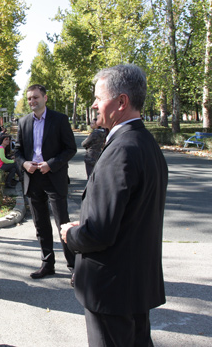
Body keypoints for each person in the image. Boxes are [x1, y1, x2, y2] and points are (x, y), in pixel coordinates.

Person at [61, 64, 168, 346]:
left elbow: (99, 233)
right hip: (133, 287)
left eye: (99, 97)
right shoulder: (145, 142)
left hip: (111, 291)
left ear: (122, 102)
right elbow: (129, 216)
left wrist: (71, 234)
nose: (94, 104)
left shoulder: (121, 150)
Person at [14, 84, 77, 283]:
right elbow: (17, 152)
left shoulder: (59, 119)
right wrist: (24, 164)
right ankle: (47, 264)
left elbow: (70, 149)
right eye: (29, 98)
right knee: (40, 225)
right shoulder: (23, 122)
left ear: (45, 98)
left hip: (54, 176)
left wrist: (51, 164)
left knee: (63, 224)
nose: (32, 101)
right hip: (32, 179)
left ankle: (74, 266)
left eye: (36, 97)